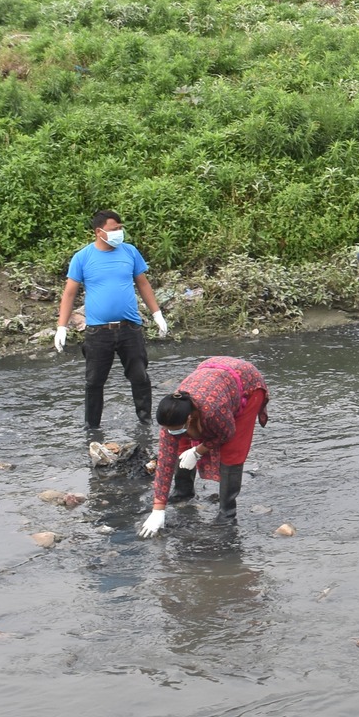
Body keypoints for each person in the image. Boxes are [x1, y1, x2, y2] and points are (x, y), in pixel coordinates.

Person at [55, 210, 167, 435]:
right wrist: (61, 327)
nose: (119, 232)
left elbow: (143, 284)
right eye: (114, 229)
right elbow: (69, 294)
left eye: (120, 228)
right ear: (99, 231)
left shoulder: (130, 252)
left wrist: (157, 314)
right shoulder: (83, 257)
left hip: (130, 328)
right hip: (98, 332)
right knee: (94, 381)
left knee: (139, 376)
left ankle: (145, 423)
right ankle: (92, 428)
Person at [139, 357, 269, 537]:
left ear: (190, 419)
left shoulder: (214, 409)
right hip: (213, 375)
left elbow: (226, 434)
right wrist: (158, 509)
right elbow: (165, 461)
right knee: (180, 446)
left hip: (247, 383)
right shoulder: (172, 417)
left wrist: (198, 451)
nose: (171, 433)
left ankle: (227, 513)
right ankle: (183, 493)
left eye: (178, 428)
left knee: (232, 452)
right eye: (169, 430)